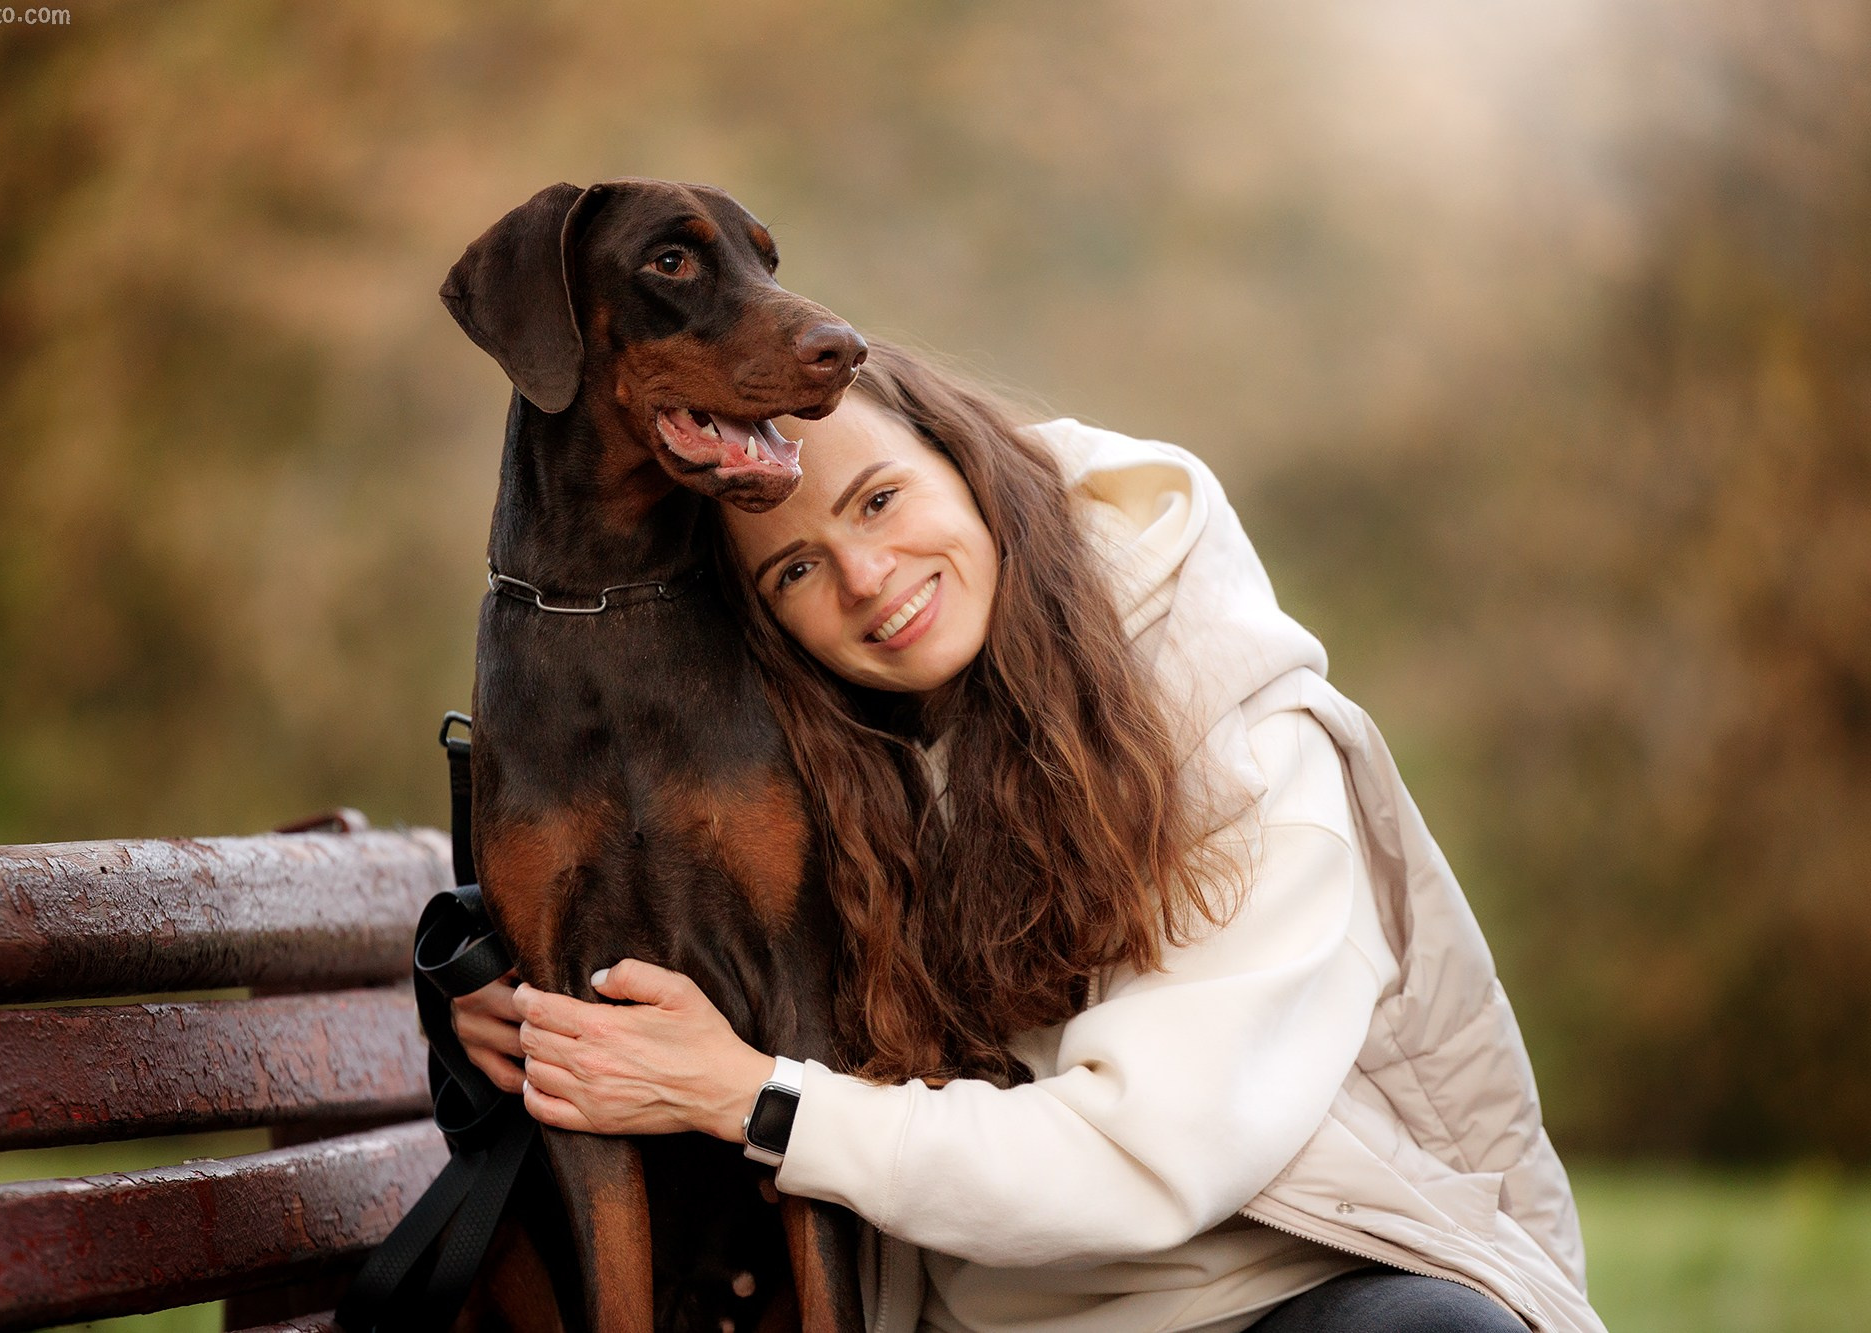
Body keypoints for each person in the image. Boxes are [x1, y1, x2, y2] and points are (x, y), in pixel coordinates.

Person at [452, 338, 1606, 1333]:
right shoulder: (830, 771)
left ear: (974, 463)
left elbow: (1147, 1152)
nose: (863, 577)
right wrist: (519, 1001)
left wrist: (760, 1099)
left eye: (879, 499)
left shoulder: (1237, 729)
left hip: (1291, 1294)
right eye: (794, 569)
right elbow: (659, 917)